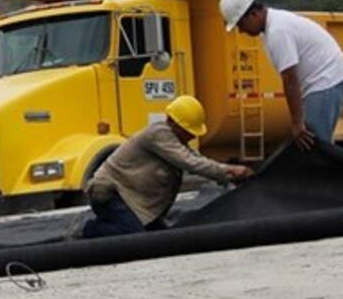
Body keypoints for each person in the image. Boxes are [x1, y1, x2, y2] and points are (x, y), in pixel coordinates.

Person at [82, 95, 251, 239]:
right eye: (188, 130)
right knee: (134, 237)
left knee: (161, 240)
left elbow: (195, 158)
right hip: (111, 195)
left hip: (134, 204)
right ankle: (89, 231)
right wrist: (229, 170)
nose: (191, 135)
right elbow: (189, 162)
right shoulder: (159, 134)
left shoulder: (175, 139)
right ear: (173, 122)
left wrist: (226, 174)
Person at [219, 0, 343, 149]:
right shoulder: (272, 26)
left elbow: (290, 78)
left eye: (241, 24)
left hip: (326, 82)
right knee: (315, 145)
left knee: (313, 145)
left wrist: (297, 122)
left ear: (253, 14)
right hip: (326, 81)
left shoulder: (277, 31)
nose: (241, 31)